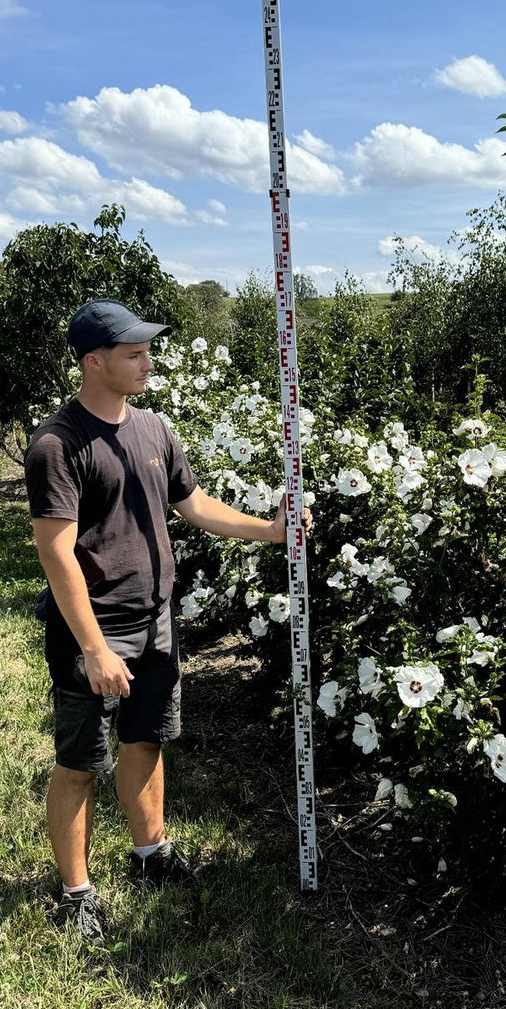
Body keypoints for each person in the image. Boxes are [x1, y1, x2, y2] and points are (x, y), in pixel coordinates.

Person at [24, 298, 311, 942]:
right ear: (94, 362)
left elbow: (194, 505)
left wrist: (272, 530)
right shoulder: (57, 444)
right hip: (95, 627)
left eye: (148, 350)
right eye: (134, 353)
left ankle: (149, 853)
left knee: (146, 741)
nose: (148, 362)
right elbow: (56, 552)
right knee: (80, 762)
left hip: (156, 620)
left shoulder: (153, 429)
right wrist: (94, 648)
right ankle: (75, 894)